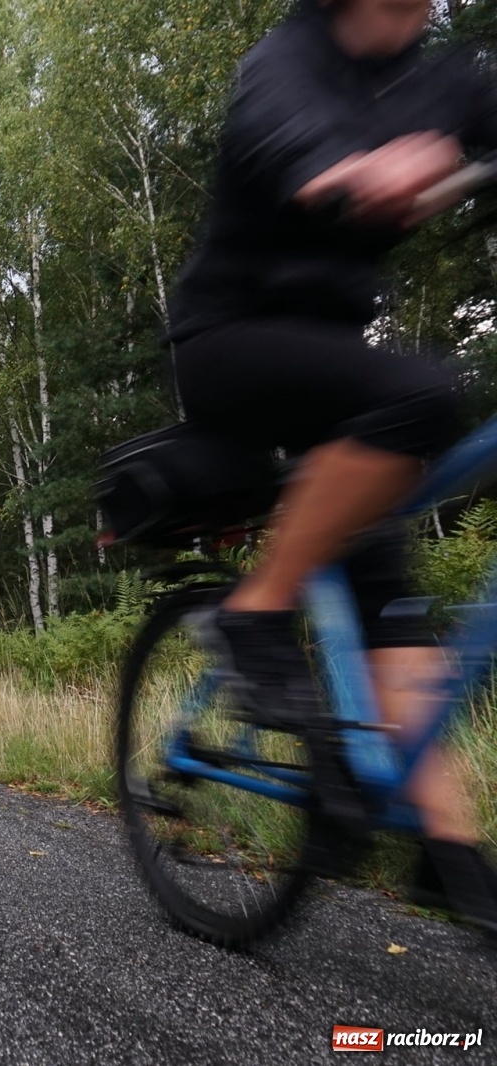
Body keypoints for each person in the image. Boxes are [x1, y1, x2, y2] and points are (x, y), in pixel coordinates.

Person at [166, 0, 497, 934]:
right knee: (428, 395)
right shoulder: (287, 55)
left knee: (389, 593)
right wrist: (354, 169)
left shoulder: (450, 77)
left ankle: (447, 848)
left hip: (339, 371)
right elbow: (285, 135)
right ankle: (256, 610)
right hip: (228, 343)